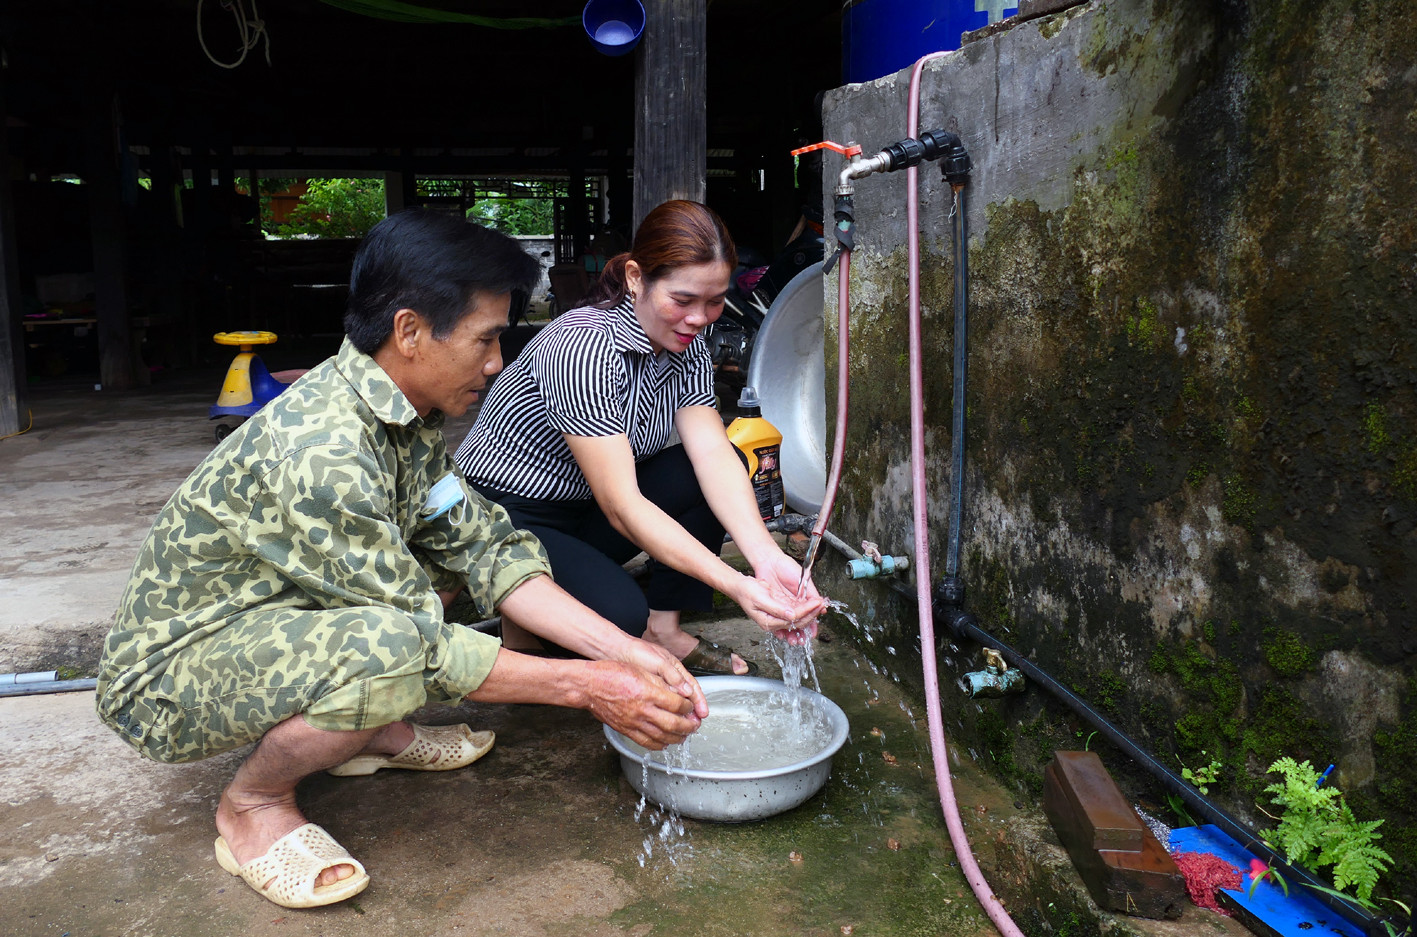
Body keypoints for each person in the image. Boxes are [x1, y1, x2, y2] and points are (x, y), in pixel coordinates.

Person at [95, 209, 707, 911]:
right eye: (486, 339)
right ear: (410, 331)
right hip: (171, 677)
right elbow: (418, 647)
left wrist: (620, 649)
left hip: (270, 621)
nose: (496, 363)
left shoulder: (402, 411)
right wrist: (591, 686)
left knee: (454, 558)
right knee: (391, 649)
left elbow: (482, 542)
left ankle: (369, 729)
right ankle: (253, 803)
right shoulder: (324, 448)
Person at [453, 200, 826, 676]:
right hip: (512, 511)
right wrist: (737, 586)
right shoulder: (584, 347)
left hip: (587, 503)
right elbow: (622, 506)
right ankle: (524, 617)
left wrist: (767, 560)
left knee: (721, 461)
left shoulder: (684, 344)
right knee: (617, 618)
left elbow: (711, 453)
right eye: (683, 299)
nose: (699, 318)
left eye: (714, 301)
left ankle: (664, 629)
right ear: (636, 278)